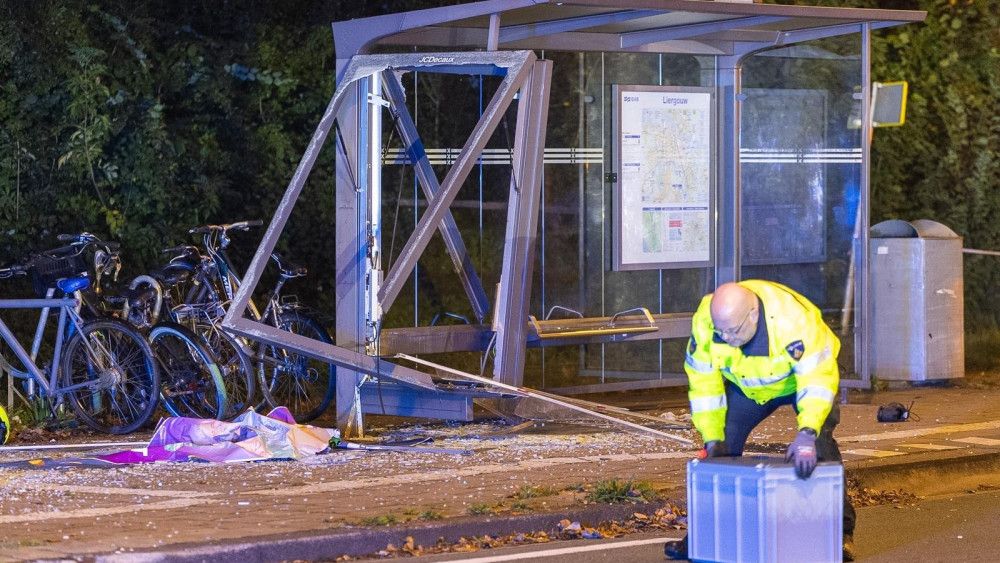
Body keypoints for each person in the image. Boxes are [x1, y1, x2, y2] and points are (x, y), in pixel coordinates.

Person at [664, 280, 856, 561]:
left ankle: (840, 534)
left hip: (800, 384)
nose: (727, 337)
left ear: (753, 314)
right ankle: (705, 536)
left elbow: (817, 380)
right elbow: (704, 386)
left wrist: (808, 431)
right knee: (719, 457)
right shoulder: (707, 320)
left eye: (734, 330)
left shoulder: (794, 322)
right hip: (748, 388)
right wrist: (712, 437)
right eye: (722, 331)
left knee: (820, 451)